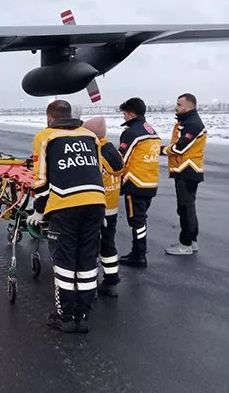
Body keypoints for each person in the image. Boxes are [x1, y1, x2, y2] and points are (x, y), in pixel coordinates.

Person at [27, 100, 105, 333]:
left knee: (64, 262)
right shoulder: (90, 136)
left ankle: (65, 317)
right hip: (95, 202)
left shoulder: (45, 137)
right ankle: (83, 315)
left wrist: (39, 209)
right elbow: (97, 170)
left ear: (49, 118)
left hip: (65, 205)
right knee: (87, 261)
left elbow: (41, 179)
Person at [83, 116, 125, 297]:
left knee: (89, 245)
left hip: (96, 207)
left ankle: (88, 284)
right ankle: (111, 279)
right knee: (108, 244)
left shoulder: (95, 153)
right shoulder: (112, 150)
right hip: (111, 207)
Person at [117, 98, 161, 268]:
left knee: (137, 221)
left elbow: (120, 159)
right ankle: (138, 252)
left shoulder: (131, 133)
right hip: (150, 182)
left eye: (124, 113)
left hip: (135, 183)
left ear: (130, 113)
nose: (123, 117)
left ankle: (139, 254)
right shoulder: (151, 130)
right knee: (141, 219)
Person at [162, 93, 207, 255]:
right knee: (188, 207)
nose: (176, 107)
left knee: (185, 208)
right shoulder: (187, 121)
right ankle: (192, 241)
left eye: (179, 104)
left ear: (189, 107)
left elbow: (180, 147)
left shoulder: (192, 124)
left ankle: (185, 244)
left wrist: (161, 150)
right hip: (185, 170)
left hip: (187, 170)